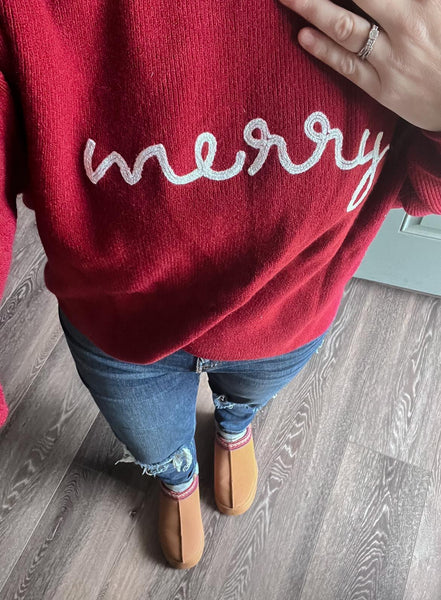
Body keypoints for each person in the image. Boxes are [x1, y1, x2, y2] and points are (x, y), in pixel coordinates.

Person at [1, 0, 440, 570]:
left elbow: (423, 190)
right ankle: (177, 475)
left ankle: (234, 425)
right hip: (120, 335)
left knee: (248, 397)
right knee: (154, 440)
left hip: (289, 314)